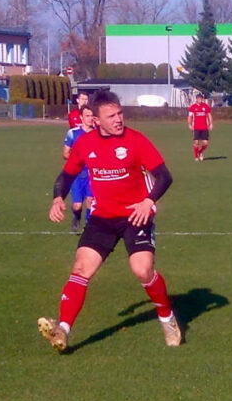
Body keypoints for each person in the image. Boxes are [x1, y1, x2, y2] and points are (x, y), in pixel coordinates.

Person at [38, 90, 181, 352]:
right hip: (102, 217)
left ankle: (167, 318)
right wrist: (58, 198)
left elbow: (164, 176)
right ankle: (63, 330)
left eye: (120, 113)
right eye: (111, 116)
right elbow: (66, 176)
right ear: (96, 120)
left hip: (135, 216)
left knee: (143, 270)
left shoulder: (136, 140)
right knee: (81, 268)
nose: (118, 120)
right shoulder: (84, 144)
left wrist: (148, 201)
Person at [62, 104, 96, 233]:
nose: (90, 118)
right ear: (81, 117)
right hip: (77, 175)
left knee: (91, 201)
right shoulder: (73, 133)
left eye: (92, 116)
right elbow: (65, 154)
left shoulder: (98, 134)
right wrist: (78, 159)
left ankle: (88, 224)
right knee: (77, 206)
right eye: (87, 116)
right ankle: (76, 217)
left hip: (92, 174)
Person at [187, 92, 213, 161]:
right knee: (196, 143)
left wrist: (211, 124)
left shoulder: (206, 106)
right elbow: (190, 116)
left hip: (204, 127)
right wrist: (189, 124)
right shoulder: (193, 107)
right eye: (199, 98)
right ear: (196, 99)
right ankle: (196, 157)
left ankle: (200, 152)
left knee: (205, 143)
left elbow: (209, 115)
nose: (200, 100)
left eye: (201, 98)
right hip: (196, 128)